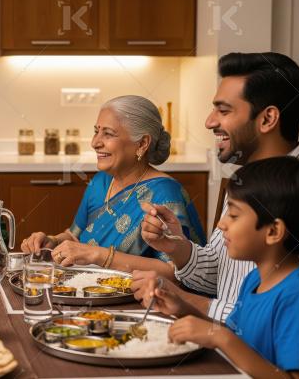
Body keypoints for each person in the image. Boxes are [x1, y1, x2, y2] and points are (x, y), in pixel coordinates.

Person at [133, 52, 299, 364]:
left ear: (267, 119)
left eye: (223, 110)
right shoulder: (249, 184)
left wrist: (183, 298)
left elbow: (290, 323)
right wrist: (177, 247)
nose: (209, 121)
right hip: (230, 353)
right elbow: (224, 278)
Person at [163, 157, 299, 379]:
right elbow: (237, 335)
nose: (221, 224)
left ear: (274, 231)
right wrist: (183, 308)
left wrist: (221, 338)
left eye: (234, 215)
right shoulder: (255, 279)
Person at [18, 95, 205, 276]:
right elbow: (75, 236)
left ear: (142, 143)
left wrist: (100, 255)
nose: (94, 143)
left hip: (137, 303)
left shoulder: (165, 194)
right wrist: (52, 241)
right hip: (86, 289)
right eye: (96, 131)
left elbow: (175, 271)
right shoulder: (101, 182)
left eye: (108, 134)